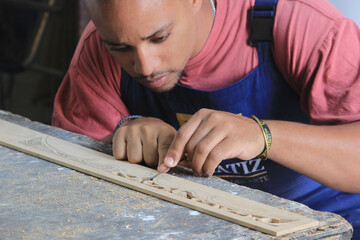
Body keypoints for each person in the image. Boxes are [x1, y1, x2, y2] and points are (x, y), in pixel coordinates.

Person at [52, 0, 360, 237]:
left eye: (159, 37)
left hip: (325, 216)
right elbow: (62, 172)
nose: (144, 66)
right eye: (120, 47)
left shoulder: (303, 25)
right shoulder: (96, 48)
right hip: (191, 221)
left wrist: (262, 135)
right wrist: (123, 134)